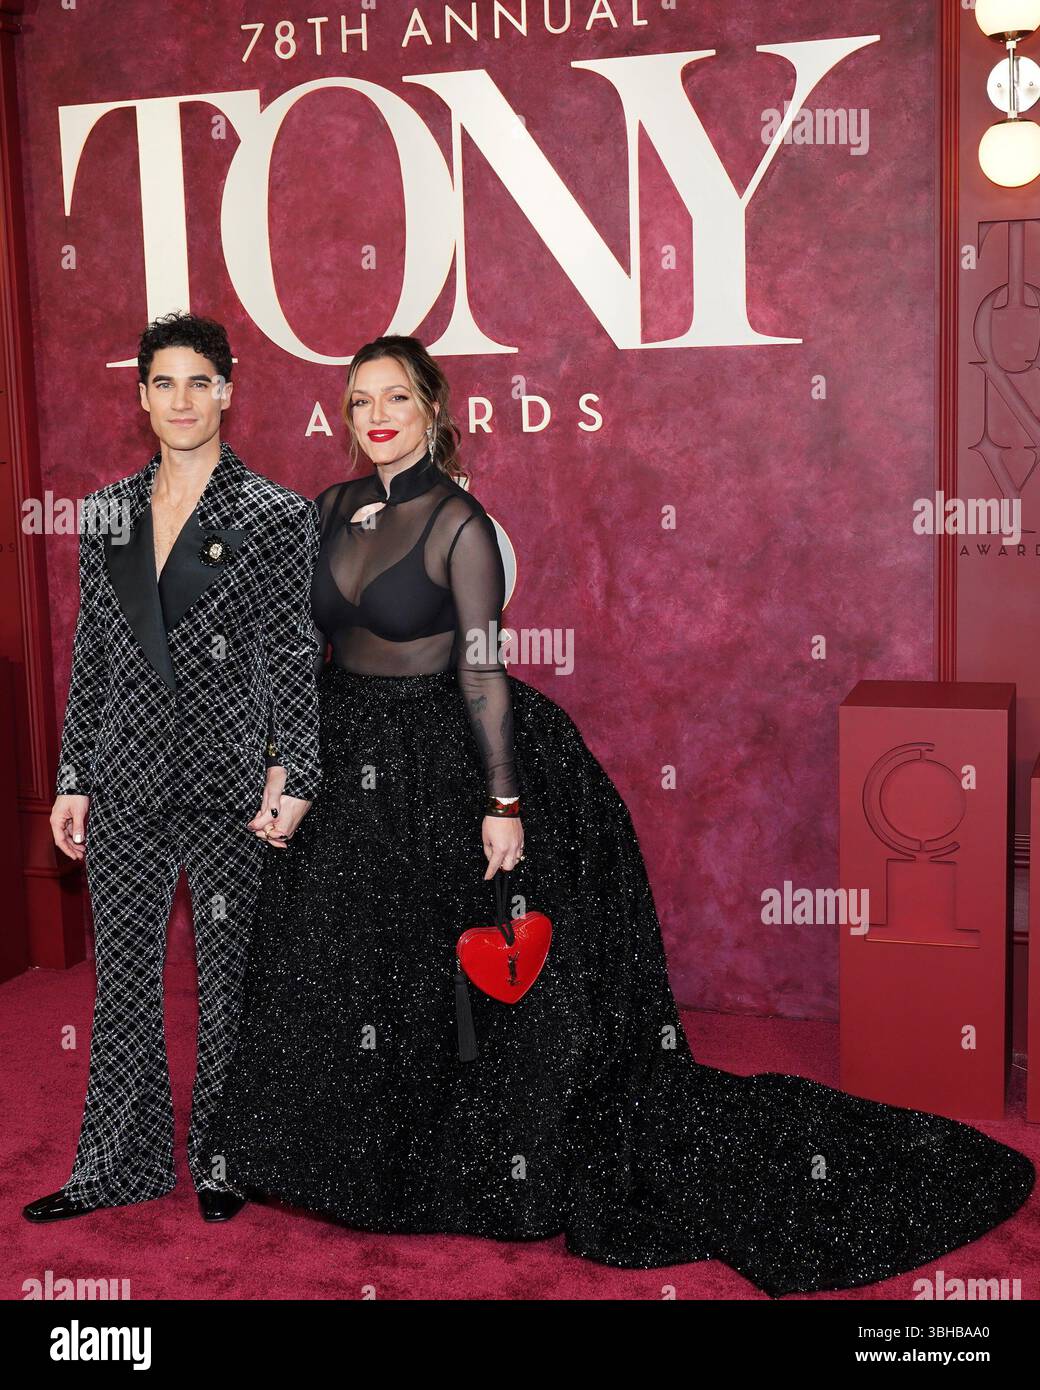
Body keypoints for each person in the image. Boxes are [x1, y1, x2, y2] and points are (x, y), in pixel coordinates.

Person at [205, 335, 1035, 1296]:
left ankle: (459, 1173)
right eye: (359, 402)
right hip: (344, 754)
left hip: (446, 757)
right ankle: (304, 1159)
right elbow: (297, 655)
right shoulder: (328, 511)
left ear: (432, 407)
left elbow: (481, 671)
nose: (376, 415)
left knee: (451, 973)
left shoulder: (460, 524)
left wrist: (503, 801)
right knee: (336, 960)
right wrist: (285, 763)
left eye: (395, 397)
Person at [23, 312, 322, 1225]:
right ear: (141, 395)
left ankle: (226, 1158)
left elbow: (291, 653)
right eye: (164, 383)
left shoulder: (274, 515)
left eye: (200, 381)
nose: (181, 400)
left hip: (230, 779)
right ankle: (121, 1163)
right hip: (125, 776)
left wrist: (296, 771)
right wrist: (74, 773)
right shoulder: (108, 510)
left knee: (231, 976)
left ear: (228, 390)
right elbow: (96, 656)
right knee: (123, 980)